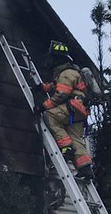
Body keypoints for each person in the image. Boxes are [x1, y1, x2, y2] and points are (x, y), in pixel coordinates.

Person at [37, 40, 94, 179]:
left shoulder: (66, 73)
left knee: (50, 116)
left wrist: (43, 106)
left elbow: (61, 94)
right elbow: (57, 86)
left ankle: (66, 148)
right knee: (76, 137)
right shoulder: (71, 72)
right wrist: (44, 87)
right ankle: (85, 168)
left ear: (56, 59)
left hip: (73, 107)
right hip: (80, 111)